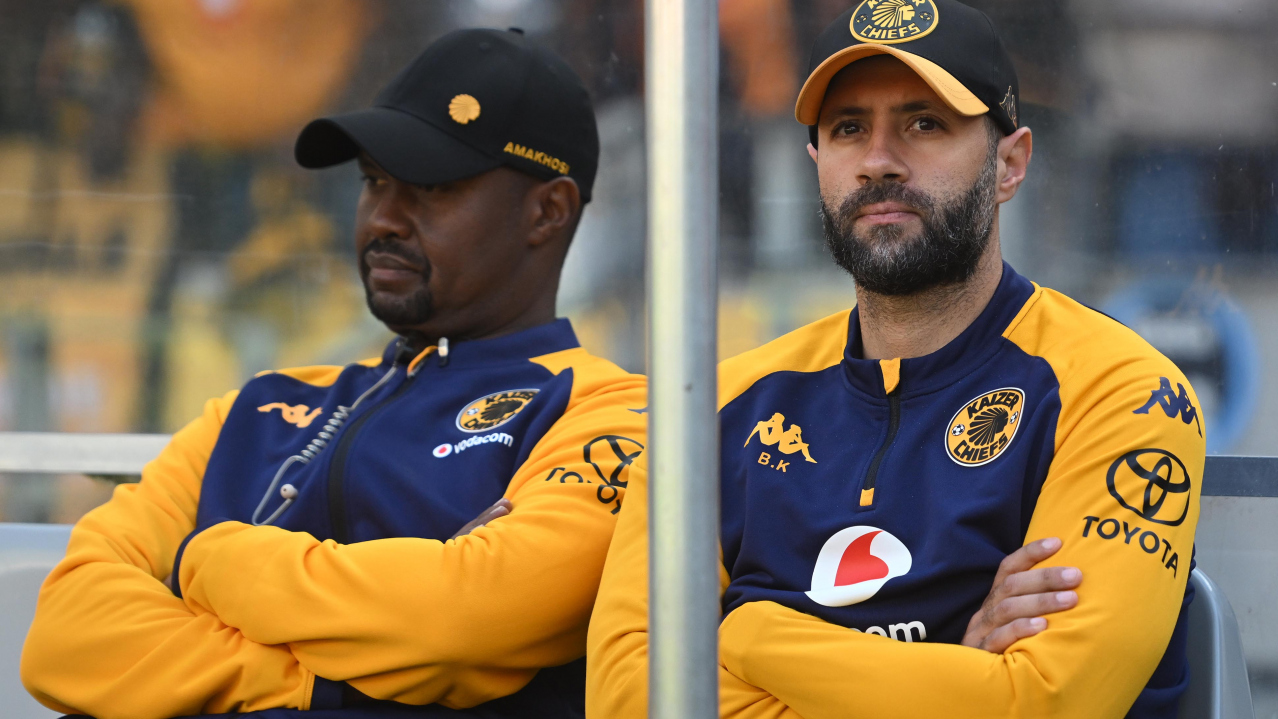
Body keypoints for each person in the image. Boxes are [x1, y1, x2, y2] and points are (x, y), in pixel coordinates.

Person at [586, 1, 1201, 717]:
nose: (878, 160)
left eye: (924, 124)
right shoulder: (714, 406)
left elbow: (1037, 702)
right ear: (816, 162)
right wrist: (947, 674)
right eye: (848, 128)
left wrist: (749, 633)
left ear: (1011, 162)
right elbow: (630, 696)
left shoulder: (1118, 390)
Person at [22, 28, 646, 719]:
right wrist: (319, 688)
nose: (384, 218)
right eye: (374, 181)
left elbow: (462, 618)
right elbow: (64, 637)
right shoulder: (255, 406)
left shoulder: (607, 412)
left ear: (548, 211)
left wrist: (208, 559)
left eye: (431, 187)